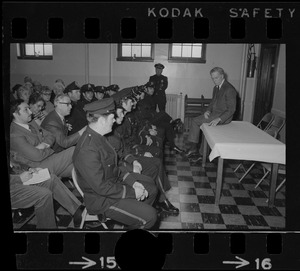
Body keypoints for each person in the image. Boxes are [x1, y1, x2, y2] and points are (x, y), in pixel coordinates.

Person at [72, 98, 158, 229]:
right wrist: (133, 192)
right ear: (101, 120)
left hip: (112, 187)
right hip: (101, 200)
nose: (114, 120)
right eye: (112, 117)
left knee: (151, 189)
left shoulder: (99, 137)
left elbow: (115, 168)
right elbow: (101, 187)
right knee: (151, 216)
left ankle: (133, 221)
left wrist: (133, 183)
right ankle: (139, 222)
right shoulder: (87, 149)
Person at [108, 105, 179, 214]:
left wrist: (134, 159)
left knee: (156, 161)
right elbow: (121, 153)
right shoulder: (112, 131)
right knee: (155, 161)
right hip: (123, 165)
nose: (123, 115)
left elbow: (127, 144)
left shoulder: (121, 123)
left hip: (129, 156)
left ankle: (159, 197)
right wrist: (138, 154)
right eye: (120, 114)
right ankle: (160, 199)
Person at [10, 99, 78, 180]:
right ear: (15, 114)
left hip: (50, 159)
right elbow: (37, 156)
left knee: (79, 169)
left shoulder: (32, 122)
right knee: (74, 150)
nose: (30, 112)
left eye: (29, 108)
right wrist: (47, 147)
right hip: (38, 167)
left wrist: (44, 145)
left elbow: (51, 136)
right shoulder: (14, 135)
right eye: (26, 110)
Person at [9, 162, 84, 229]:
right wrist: (18, 179)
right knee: (44, 195)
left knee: (51, 179)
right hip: (12, 186)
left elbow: (13, 162)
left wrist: (29, 169)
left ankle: (76, 211)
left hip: (15, 178)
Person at [185, 67, 237, 160]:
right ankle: (201, 154)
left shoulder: (229, 89)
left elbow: (231, 109)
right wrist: (207, 111)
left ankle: (193, 149)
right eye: (212, 78)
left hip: (222, 117)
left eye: (216, 78)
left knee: (195, 121)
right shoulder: (216, 87)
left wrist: (219, 119)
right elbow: (213, 102)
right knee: (204, 127)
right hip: (215, 114)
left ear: (222, 76)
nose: (214, 80)